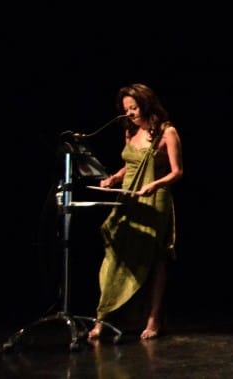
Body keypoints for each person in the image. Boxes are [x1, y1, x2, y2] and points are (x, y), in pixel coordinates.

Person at [88, 83, 183, 341]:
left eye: (134, 107)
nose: (129, 113)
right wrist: (113, 179)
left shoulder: (167, 132)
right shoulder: (130, 131)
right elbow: (130, 163)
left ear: (146, 104)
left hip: (155, 200)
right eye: (125, 108)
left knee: (155, 260)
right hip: (128, 198)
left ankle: (154, 320)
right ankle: (103, 318)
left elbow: (177, 172)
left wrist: (155, 184)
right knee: (114, 257)